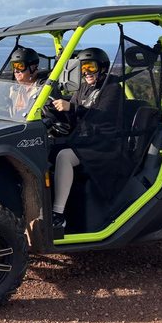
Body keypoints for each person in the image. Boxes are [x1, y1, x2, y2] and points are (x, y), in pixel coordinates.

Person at [49, 47, 120, 229]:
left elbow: (102, 114)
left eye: (91, 67)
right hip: (85, 140)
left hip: (103, 144)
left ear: (103, 68)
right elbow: (72, 115)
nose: (87, 72)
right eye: (83, 68)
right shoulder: (84, 88)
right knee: (46, 146)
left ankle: (58, 215)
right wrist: (54, 112)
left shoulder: (112, 87)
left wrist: (71, 108)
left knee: (64, 157)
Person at [8, 46, 43, 115]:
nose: (15, 71)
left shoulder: (44, 88)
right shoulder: (14, 89)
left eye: (19, 66)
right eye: (13, 66)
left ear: (32, 67)